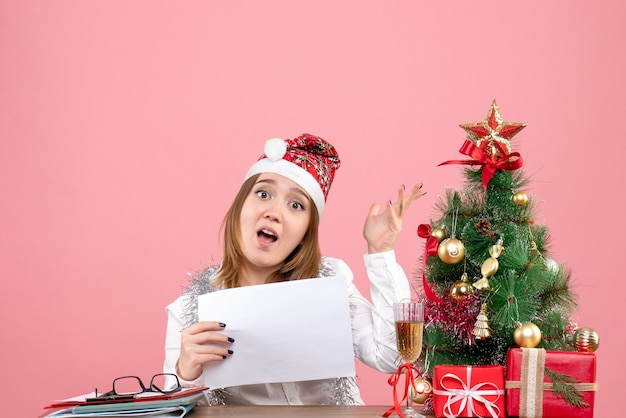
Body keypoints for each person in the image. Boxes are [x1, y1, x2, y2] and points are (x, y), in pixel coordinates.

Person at [163, 133, 426, 405]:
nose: (274, 213)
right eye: (263, 193)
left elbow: (390, 356)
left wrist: (380, 252)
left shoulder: (332, 281)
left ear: (305, 232)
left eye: (296, 204)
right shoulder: (188, 310)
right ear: (239, 207)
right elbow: (174, 408)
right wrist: (186, 373)